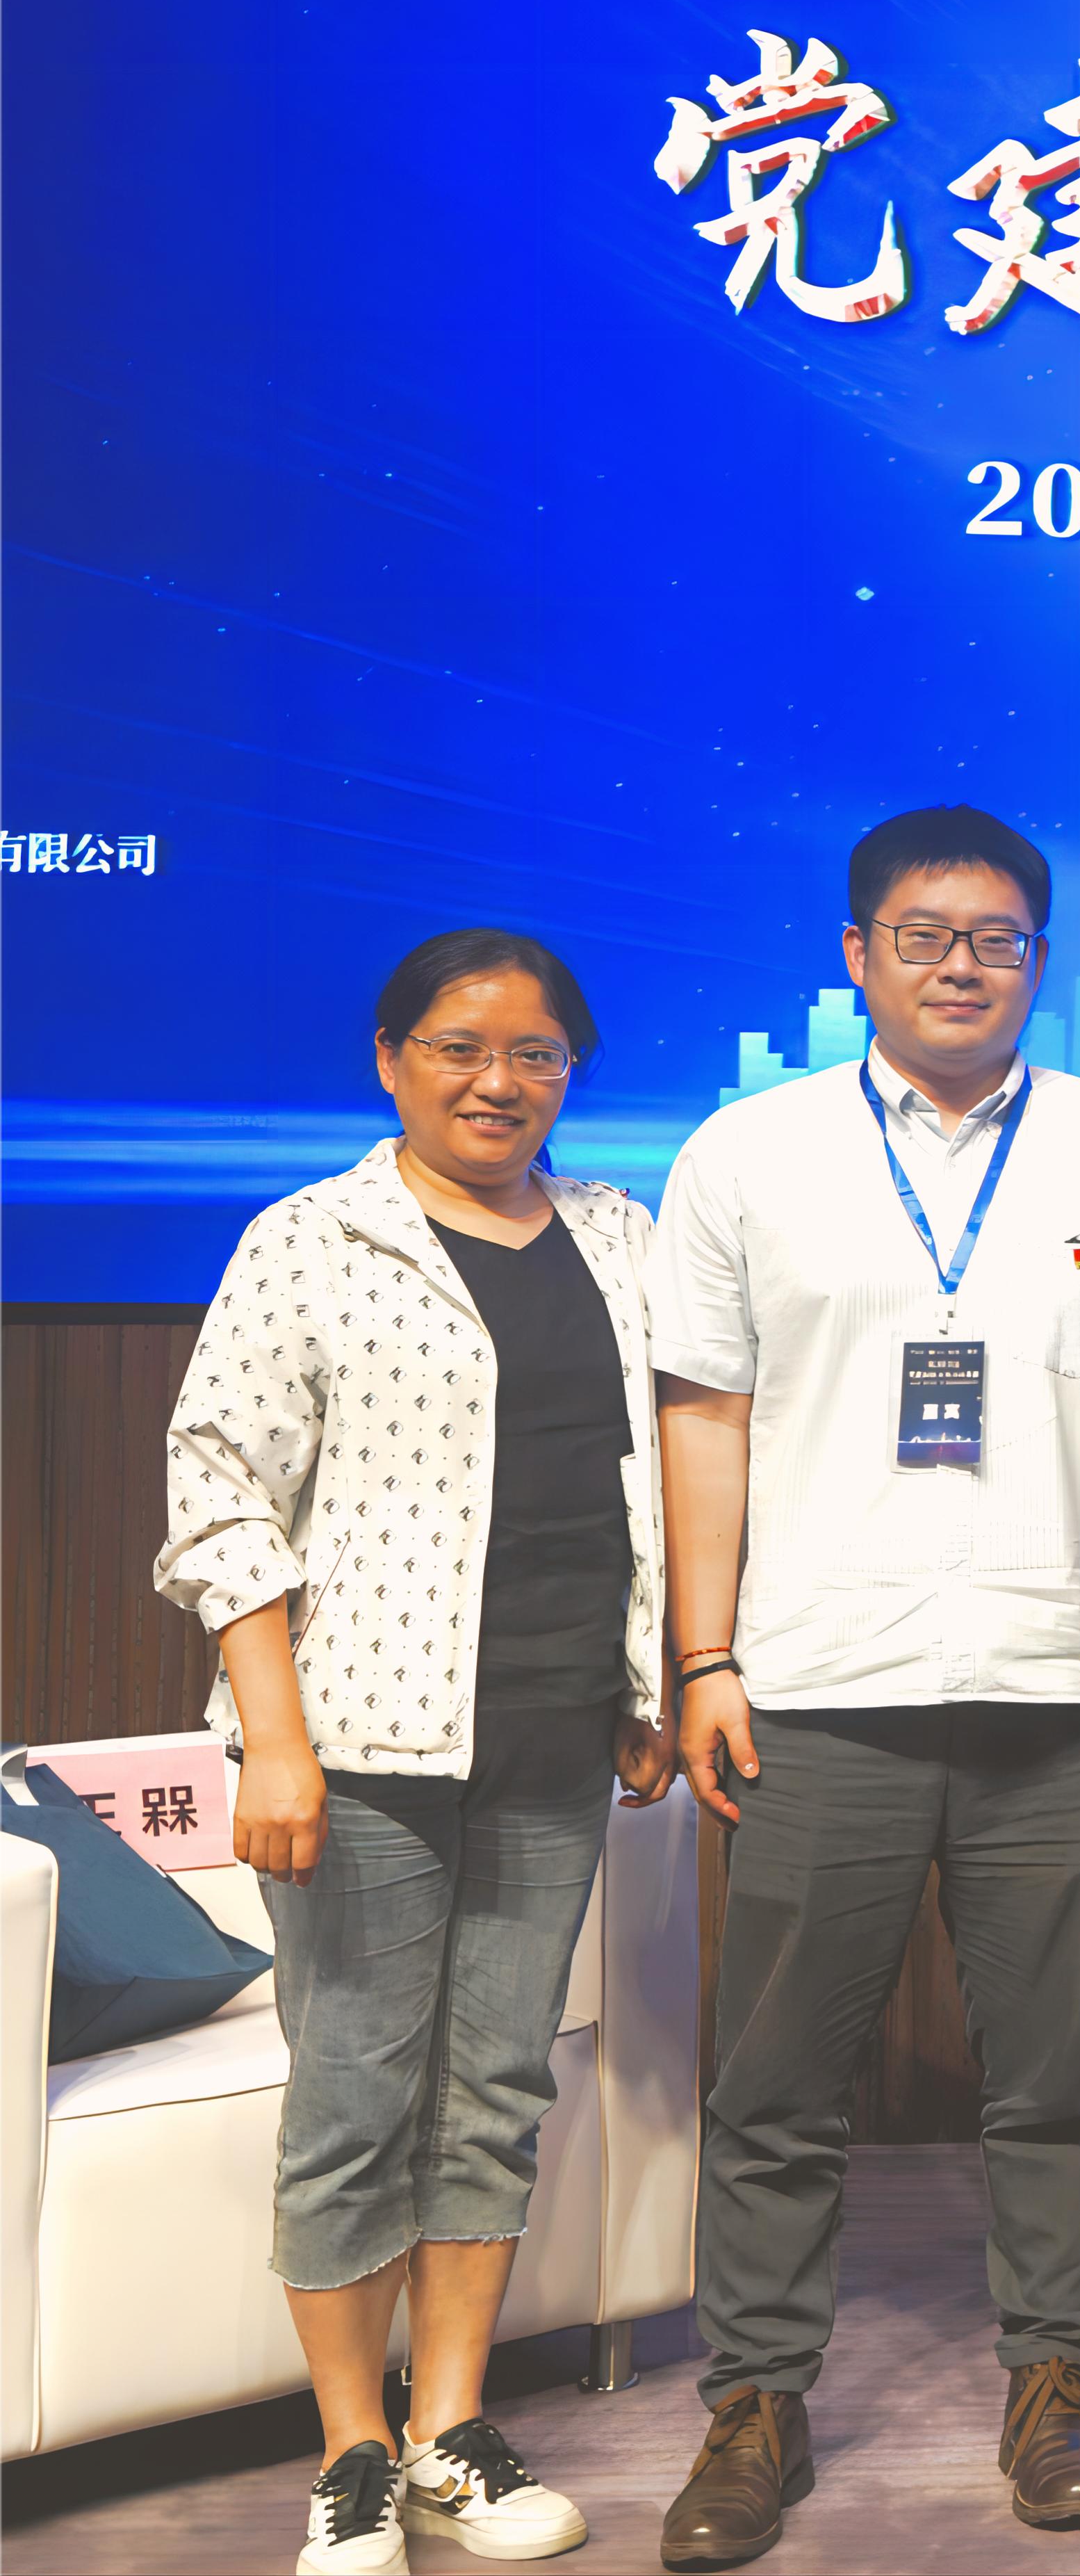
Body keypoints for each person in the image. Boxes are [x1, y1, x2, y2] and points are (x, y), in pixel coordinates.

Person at [646, 806, 1080, 2566]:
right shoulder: (748, 1153)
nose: (964, 965)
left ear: (1038, 958)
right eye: (924, 935)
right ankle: (755, 2400)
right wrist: (705, 1652)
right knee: (776, 2083)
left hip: (1058, 1682)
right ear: (857, 955)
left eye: (998, 938)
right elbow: (705, 1419)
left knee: (1056, 2079)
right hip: (821, 1683)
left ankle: (1054, 2378)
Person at [158, 930, 673, 2576]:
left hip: (552, 1732)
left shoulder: (621, 1238)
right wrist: (275, 1741)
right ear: (391, 1059)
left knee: (497, 2090)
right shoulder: (311, 1238)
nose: (497, 1082)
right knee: (357, 2096)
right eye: (458, 1047)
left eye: (535, 1053)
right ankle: (351, 2454)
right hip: (357, 1746)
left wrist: (653, 1677)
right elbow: (220, 1492)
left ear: (570, 1071)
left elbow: (653, 1474)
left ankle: (451, 2425)